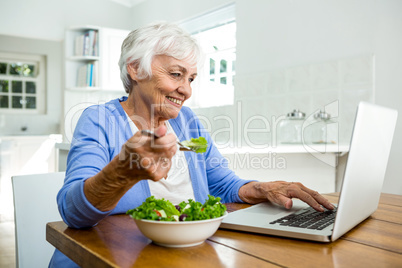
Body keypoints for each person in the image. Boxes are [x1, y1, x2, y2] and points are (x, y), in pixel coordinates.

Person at [49, 21, 334, 267]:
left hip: (185, 256)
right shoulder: (100, 120)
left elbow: (223, 185)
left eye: (191, 78)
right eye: (176, 74)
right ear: (135, 69)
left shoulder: (187, 121)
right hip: (108, 259)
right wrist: (123, 172)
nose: (186, 90)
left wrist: (264, 188)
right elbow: (73, 213)